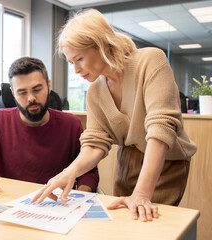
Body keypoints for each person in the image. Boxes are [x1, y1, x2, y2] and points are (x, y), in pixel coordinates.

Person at [32, 9, 197, 222]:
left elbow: (161, 129)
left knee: (148, 224)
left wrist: (142, 193)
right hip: (127, 160)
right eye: (71, 63)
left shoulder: (150, 60)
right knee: (122, 224)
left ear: (101, 44)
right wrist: (69, 172)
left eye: (79, 59)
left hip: (165, 160)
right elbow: (95, 143)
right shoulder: (95, 92)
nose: (76, 70)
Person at [0, 57, 99, 194]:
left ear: (48, 86)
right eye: (22, 92)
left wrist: (80, 196)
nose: (31, 98)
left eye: (37, 89)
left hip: (55, 206)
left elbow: (88, 171)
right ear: (13, 93)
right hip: (5, 202)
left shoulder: (71, 125)